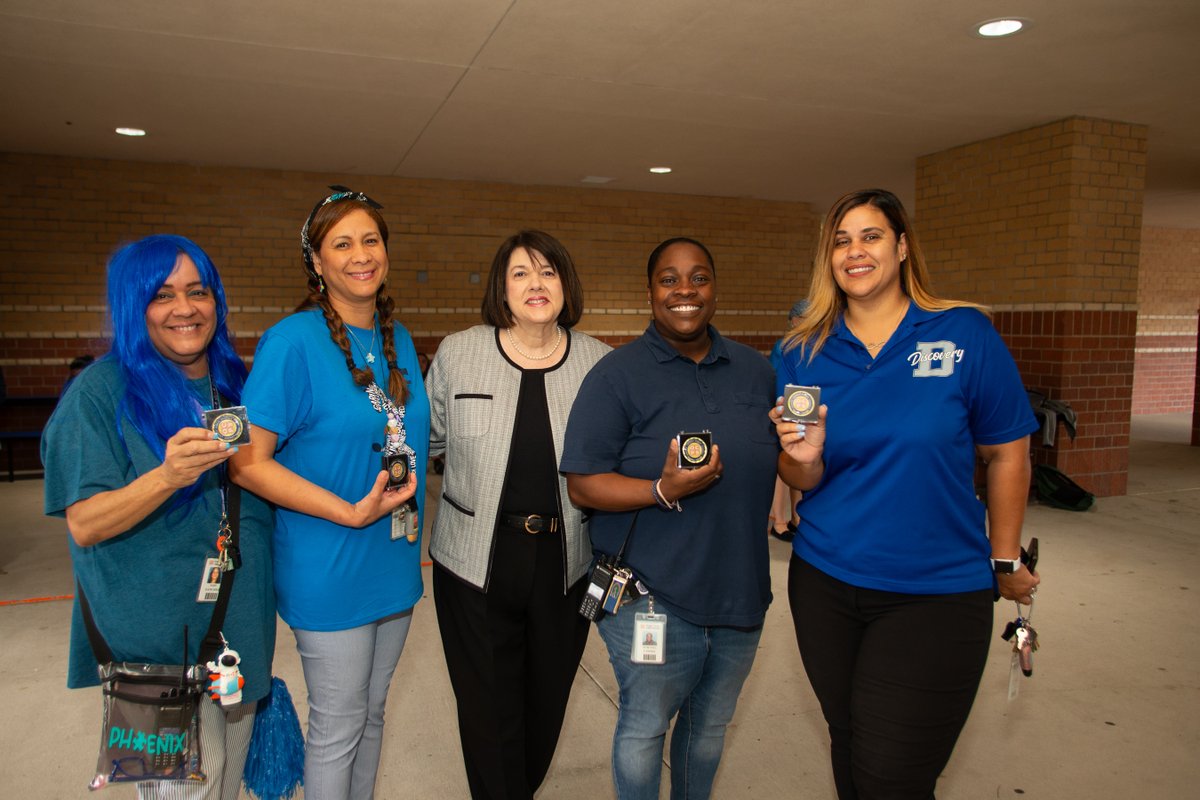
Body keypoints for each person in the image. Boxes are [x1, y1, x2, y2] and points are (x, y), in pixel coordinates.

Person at [773, 188, 1041, 799]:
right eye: (840, 241)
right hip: (825, 584)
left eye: (870, 236)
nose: (854, 251)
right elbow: (798, 477)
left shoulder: (962, 334)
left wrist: (1004, 556)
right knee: (852, 743)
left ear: (900, 246)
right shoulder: (799, 349)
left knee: (892, 773)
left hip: (936, 593)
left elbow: (1008, 450)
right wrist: (802, 458)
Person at [41, 234, 276, 799]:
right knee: (185, 792)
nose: (185, 308)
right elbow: (85, 522)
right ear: (131, 304)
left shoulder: (234, 383)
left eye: (198, 291)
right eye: (162, 295)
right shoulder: (96, 394)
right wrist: (168, 476)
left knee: (226, 784)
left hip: (235, 633)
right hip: (154, 652)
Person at [561, 237, 778, 800]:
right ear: (651, 291)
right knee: (644, 727)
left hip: (739, 594)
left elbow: (791, 464)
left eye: (699, 277)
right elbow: (583, 483)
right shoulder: (617, 375)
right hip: (649, 596)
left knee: (707, 732)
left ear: (714, 287)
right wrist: (660, 489)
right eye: (669, 279)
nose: (685, 291)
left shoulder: (757, 373)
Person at [229, 187, 427, 800]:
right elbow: (247, 463)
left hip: (392, 559)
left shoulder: (398, 340)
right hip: (328, 560)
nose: (360, 254)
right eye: (341, 243)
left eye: (371, 240)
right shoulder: (292, 342)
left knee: (370, 716)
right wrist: (349, 509)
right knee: (337, 726)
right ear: (317, 262)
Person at [426, 230, 610, 799]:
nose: (536, 285)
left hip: (566, 563)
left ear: (566, 284)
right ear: (501, 290)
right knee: (487, 709)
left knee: (545, 701)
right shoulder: (460, 352)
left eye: (548, 272)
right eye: (521, 274)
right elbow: (428, 442)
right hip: (474, 562)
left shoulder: (599, 363)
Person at [767, 300, 807, 542]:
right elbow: (776, 379)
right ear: (794, 320)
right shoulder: (785, 346)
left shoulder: (814, 343)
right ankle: (779, 521)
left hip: (805, 409)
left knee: (801, 468)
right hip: (787, 407)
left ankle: (796, 517)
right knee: (785, 468)